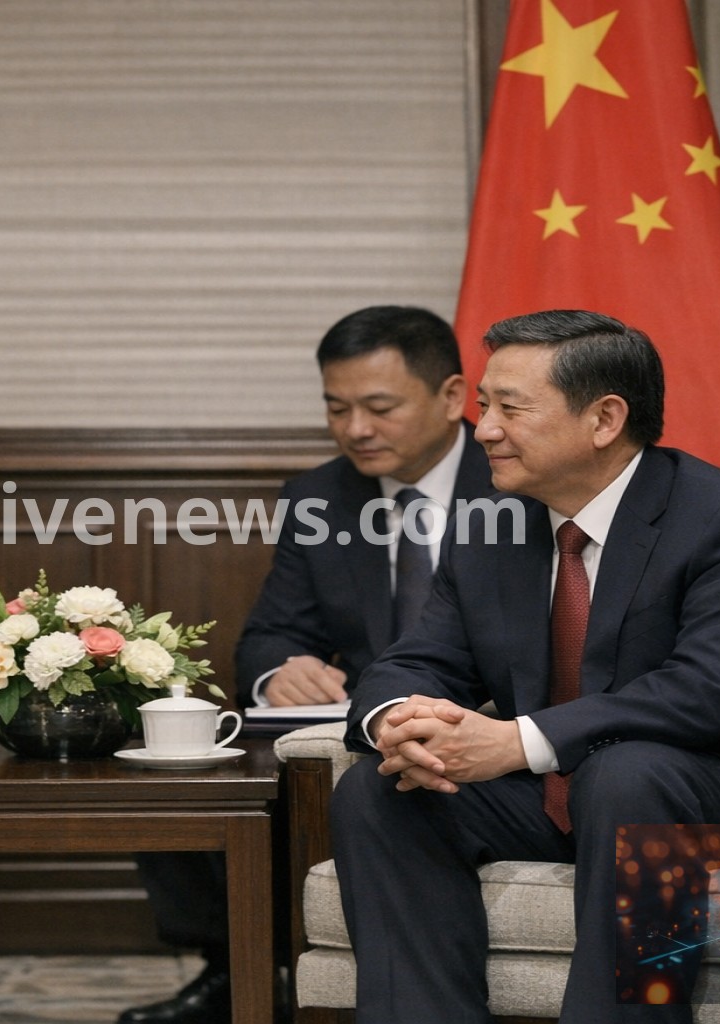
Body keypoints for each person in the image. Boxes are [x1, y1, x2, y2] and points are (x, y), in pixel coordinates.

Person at [330, 309, 720, 1023]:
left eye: (509, 409)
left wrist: (513, 741)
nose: (483, 428)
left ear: (605, 418)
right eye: (484, 406)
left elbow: (706, 694)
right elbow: (418, 660)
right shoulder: (494, 524)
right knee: (383, 787)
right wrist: (401, 721)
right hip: (578, 794)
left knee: (628, 770)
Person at [121, 306, 492, 1024]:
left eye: (379, 407)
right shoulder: (320, 497)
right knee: (175, 757)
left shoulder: (518, 481)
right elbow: (266, 635)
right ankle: (235, 967)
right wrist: (279, 669)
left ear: (451, 397)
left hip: (476, 732)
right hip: (354, 730)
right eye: (337, 407)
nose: (355, 428)